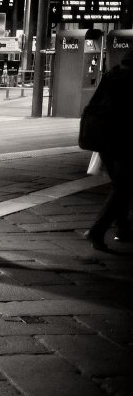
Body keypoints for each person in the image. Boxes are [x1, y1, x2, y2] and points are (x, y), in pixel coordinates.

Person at [80, 51, 133, 250]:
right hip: (125, 140)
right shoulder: (129, 79)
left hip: (104, 139)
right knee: (123, 186)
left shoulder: (113, 74)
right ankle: (98, 230)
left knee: (121, 184)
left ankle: (122, 227)